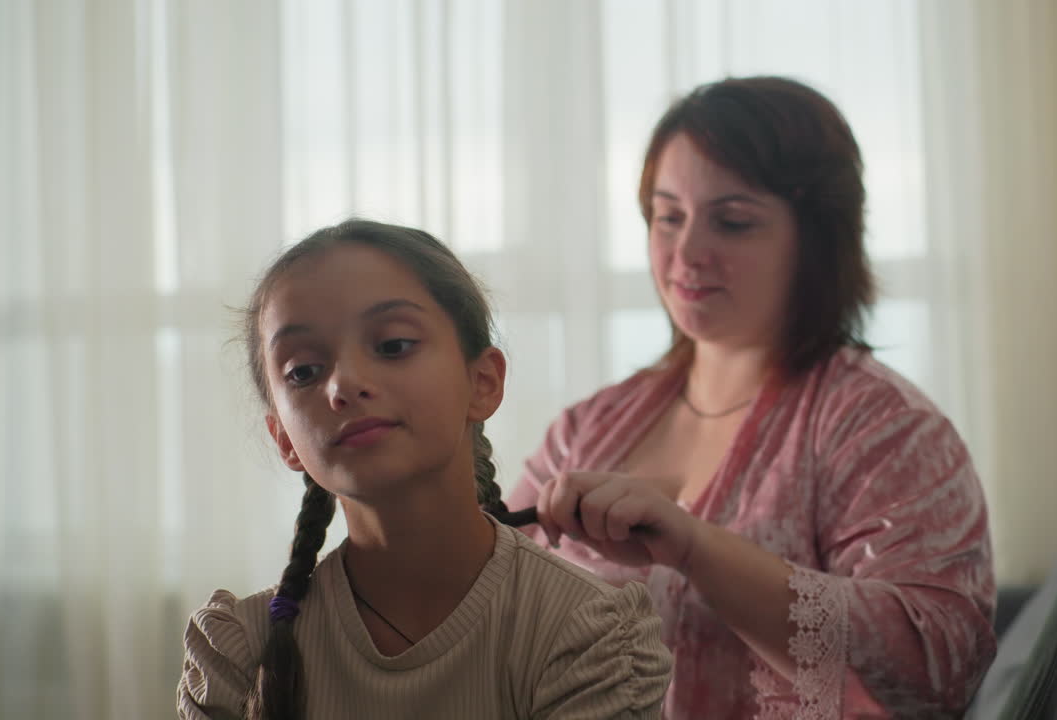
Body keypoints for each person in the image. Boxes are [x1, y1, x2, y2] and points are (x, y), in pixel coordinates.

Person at [506, 76, 997, 719]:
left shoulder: (887, 429)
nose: (686, 253)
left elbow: (934, 667)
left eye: (733, 222)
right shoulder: (585, 429)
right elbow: (487, 607)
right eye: (668, 216)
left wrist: (696, 550)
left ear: (815, 239)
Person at [177, 219, 672, 719]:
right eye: (303, 371)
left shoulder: (586, 632)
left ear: (483, 382)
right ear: (284, 439)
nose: (343, 383)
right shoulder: (240, 652)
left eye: (392, 345)